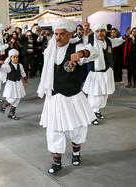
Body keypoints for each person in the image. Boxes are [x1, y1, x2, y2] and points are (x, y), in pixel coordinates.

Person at [38, 18, 99, 174]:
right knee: (54, 130)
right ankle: (56, 162)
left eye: (62, 34)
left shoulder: (77, 46)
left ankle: (76, 154)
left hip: (72, 97)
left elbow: (94, 52)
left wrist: (81, 53)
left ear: (70, 33)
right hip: (54, 97)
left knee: (76, 129)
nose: (58, 37)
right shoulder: (49, 49)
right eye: (56, 34)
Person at [82, 24, 130, 125]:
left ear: (105, 32)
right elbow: (87, 51)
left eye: (102, 31)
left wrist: (126, 35)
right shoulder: (91, 43)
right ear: (95, 33)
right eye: (97, 31)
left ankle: (97, 111)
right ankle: (91, 115)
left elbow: (118, 41)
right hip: (96, 74)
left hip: (107, 73)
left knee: (104, 94)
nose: (100, 33)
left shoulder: (108, 41)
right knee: (94, 95)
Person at [0, 49, 27, 120]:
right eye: (14, 57)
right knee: (12, 98)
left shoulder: (20, 65)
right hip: (11, 84)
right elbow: (1, 69)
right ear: (10, 58)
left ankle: (11, 113)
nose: (15, 58)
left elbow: (23, 72)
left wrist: (25, 80)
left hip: (18, 83)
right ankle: (4, 105)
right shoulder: (8, 66)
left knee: (17, 99)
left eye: (17, 57)